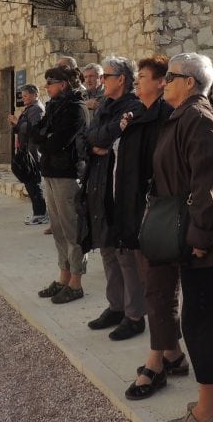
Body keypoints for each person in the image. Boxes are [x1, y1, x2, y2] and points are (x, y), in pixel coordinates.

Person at [155, 53, 213, 422]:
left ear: (189, 82)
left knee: (201, 326)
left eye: (171, 77)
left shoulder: (197, 117)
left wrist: (198, 236)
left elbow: (210, 185)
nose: (164, 83)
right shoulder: (188, 115)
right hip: (202, 237)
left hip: (208, 242)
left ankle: (207, 412)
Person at [118, 55, 188, 401]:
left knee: (159, 290)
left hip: (157, 215)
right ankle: (173, 355)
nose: (137, 81)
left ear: (162, 82)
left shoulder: (166, 119)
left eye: (143, 76)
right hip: (136, 214)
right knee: (152, 287)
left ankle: (156, 364)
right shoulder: (136, 116)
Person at [82, 56, 147, 340]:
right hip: (99, 184)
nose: (101, 81)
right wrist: (98, 142)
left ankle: (135, 315)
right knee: (107, 249)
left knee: (125, 255)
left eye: (106, 76)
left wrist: (100, 139)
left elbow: (108, 139)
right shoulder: (106, 106)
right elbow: (87, 137)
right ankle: (116, 306)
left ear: (121, 79)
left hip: (118, 188)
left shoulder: (134, 107)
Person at [33, 65, 88, 304]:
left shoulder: (76, 108)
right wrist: (45, 139)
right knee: (57, 228)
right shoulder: (55, 106)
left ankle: (76, 281)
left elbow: (56, 142)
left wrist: (44, 139)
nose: (47, 86)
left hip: (67, 173)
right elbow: (36, 136)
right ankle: (63, 276)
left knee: (72, 229)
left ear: (63, 84)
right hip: (50, 171)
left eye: (50, 82)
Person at [8, 84, 47, 224]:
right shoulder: (29, 109)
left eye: (26, 96)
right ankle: (39, 212)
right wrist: (15, 125)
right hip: (27, 150)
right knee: (30, 182)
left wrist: (17, 122)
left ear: (35, 95)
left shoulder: (37, 109)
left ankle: (40, 213)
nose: (23, 98)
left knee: (33, 182)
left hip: (33, 151)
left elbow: (33, 128)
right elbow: (21, 129)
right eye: (22, 96)